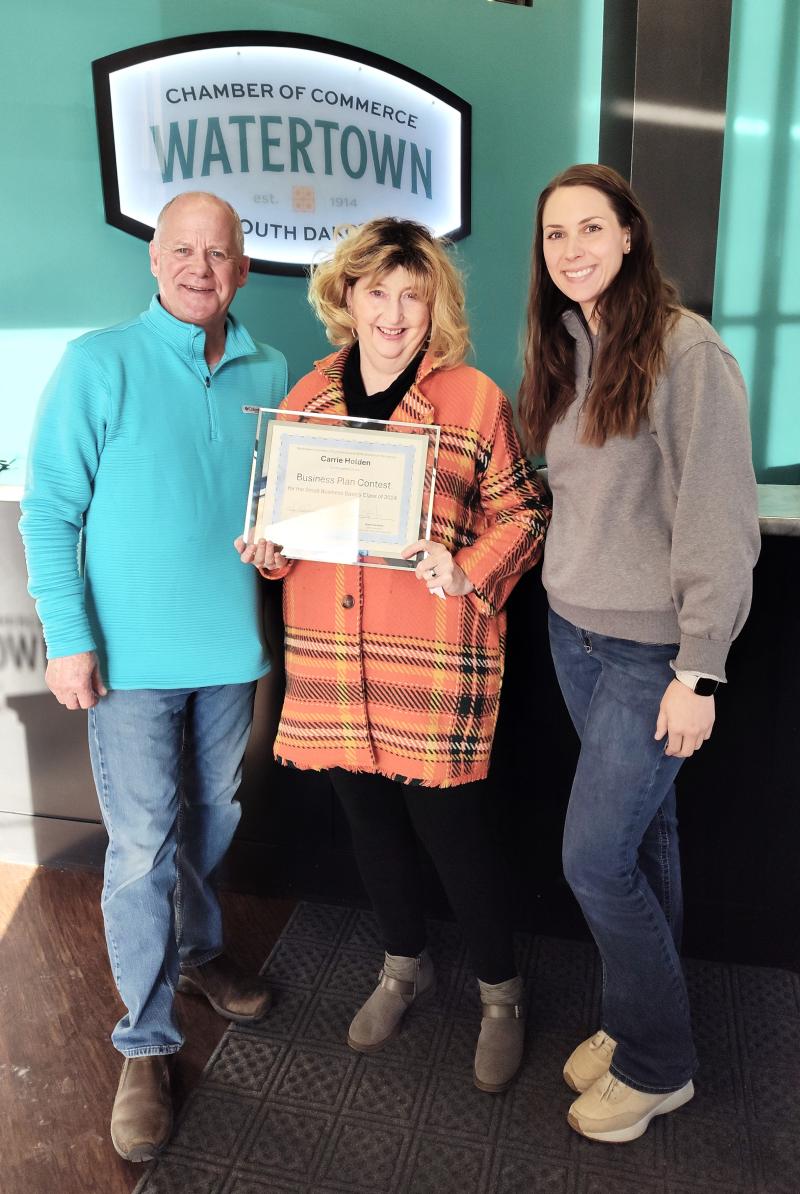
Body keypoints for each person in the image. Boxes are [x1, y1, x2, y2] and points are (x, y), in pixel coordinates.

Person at [236, 217, 551, 1093]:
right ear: (347, 295)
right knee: (371, 829)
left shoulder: (474, 398)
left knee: (458, 839)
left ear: (435, 307)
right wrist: (270, 549)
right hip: (335, 661)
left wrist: (467, 564)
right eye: (378, 290)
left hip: (432, 661)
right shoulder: (303, 400)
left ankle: (502, 995)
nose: (394, 311)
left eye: (414, 295)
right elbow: (282, 527)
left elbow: (525, 513)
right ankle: (401, 966)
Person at [19, 192, 287, 1162]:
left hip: (227, 652)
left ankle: (197, 947)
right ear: (154, 260)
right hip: (124, 662)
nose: (199, 267)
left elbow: (275, 512)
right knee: (139, 844)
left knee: (209, 817)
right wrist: (69, 636)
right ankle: (144, 1040)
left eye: (218, 254)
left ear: (242, 271)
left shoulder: (272, 369)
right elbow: (48, 512)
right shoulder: (99, 362)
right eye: (182, 250)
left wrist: (277, 552)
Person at [517, 163, 760, 1142]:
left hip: (649, 660)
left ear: (627, 235)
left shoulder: (682, 350)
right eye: (553, 235)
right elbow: (573, 497)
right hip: (571, 637)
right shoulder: (568, 347)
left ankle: (661, 1066)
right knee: (641, 846)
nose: (570, 248)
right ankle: (633, 1024)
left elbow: (716, 522)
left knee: (593, 862)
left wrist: (698, 670)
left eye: (589, 228)